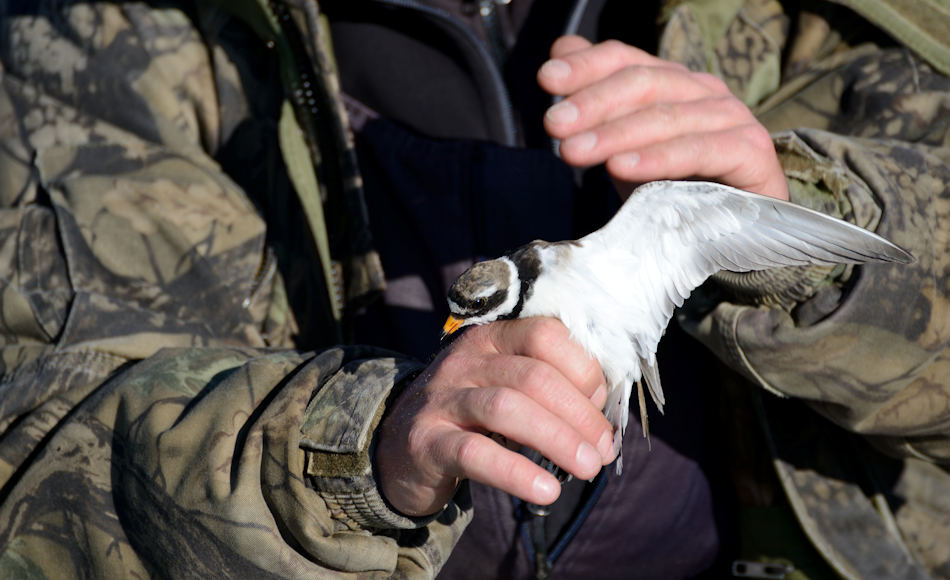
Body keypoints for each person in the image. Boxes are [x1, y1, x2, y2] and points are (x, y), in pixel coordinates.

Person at [0, 3, 947, 580]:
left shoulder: (829, 21)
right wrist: (351, 461)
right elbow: (33, 450)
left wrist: (809, 234)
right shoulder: (97, 41)